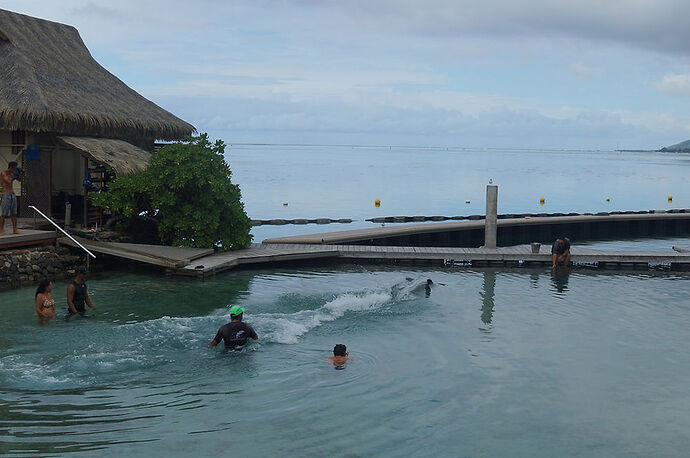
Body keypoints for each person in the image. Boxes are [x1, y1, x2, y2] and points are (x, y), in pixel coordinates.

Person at [0, 161, 22, 236]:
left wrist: (20, 173)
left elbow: (20, 180)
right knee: (4, 213)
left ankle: (15, 229)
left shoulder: (13, 174)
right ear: (12, 168)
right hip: (5, 194)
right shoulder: (4, 173)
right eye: (15, 168)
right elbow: (8, 181)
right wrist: (14, 174)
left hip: (12, 194)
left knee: (14, 213)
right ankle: (1, 230)